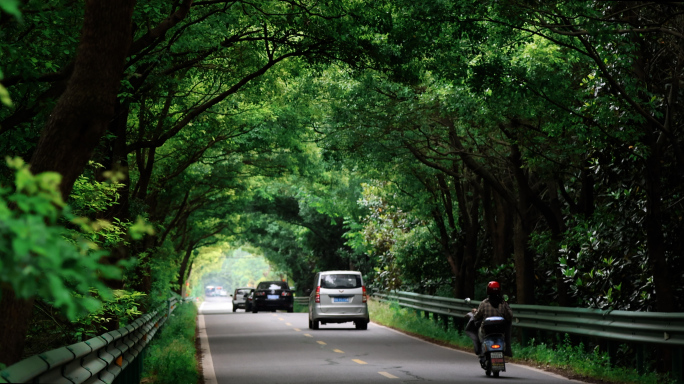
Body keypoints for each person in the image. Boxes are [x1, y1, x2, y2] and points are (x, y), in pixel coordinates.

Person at [472, 281, 513, 358]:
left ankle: (481, 350)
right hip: (500, 331)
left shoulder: (484, 303)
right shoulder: (503, 303)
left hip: (486, 331)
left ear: (488, 290)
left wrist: (475, 312)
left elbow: (476, 316)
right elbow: (509, 316)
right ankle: (507, 350)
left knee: (479, 332)